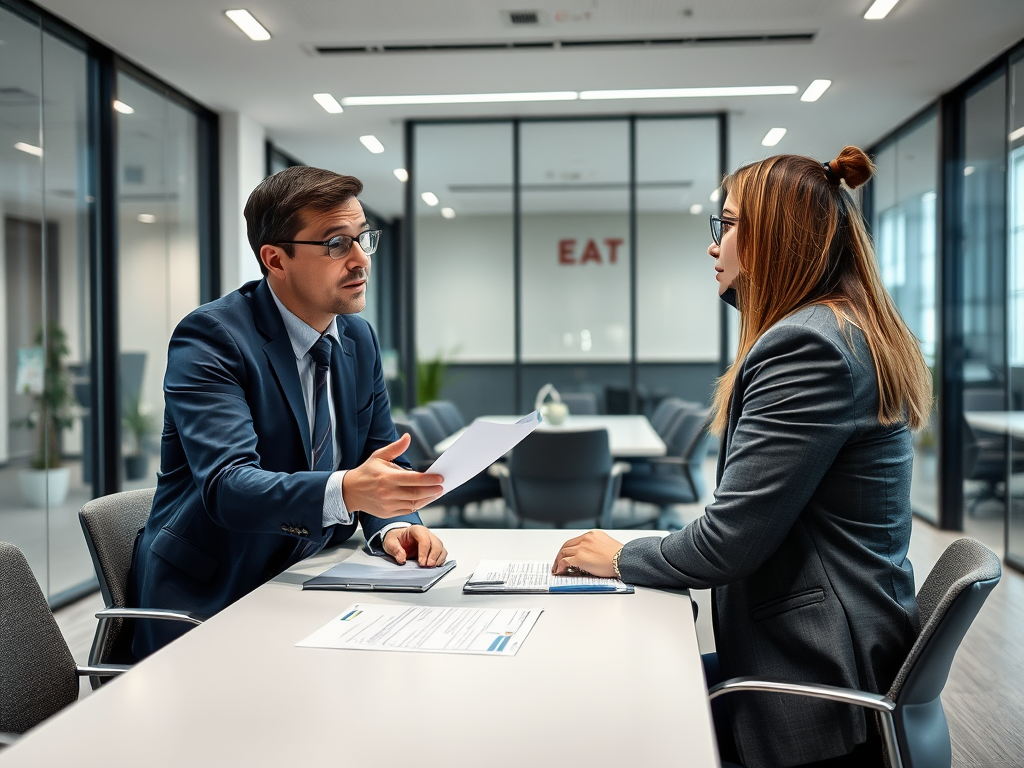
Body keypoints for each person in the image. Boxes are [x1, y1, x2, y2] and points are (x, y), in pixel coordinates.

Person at [552, 147, 931, 768]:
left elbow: (729, 543)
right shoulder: (840, 326)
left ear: (774, 238)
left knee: (613, 712)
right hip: (837, 646)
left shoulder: (810, 347)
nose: (714, 246)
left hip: (815, 680)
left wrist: (620, 555)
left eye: (725, 225)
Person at [128, 166, 448, 659]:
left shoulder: (357, 338)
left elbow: (379, 458)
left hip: (312, 579)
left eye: (363, 239)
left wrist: (395, 525)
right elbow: (229, 486)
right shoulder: (213, 338)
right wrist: (347, 490)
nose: (361, 259)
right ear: (275, 259)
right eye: (337, 244)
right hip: (213, 598)